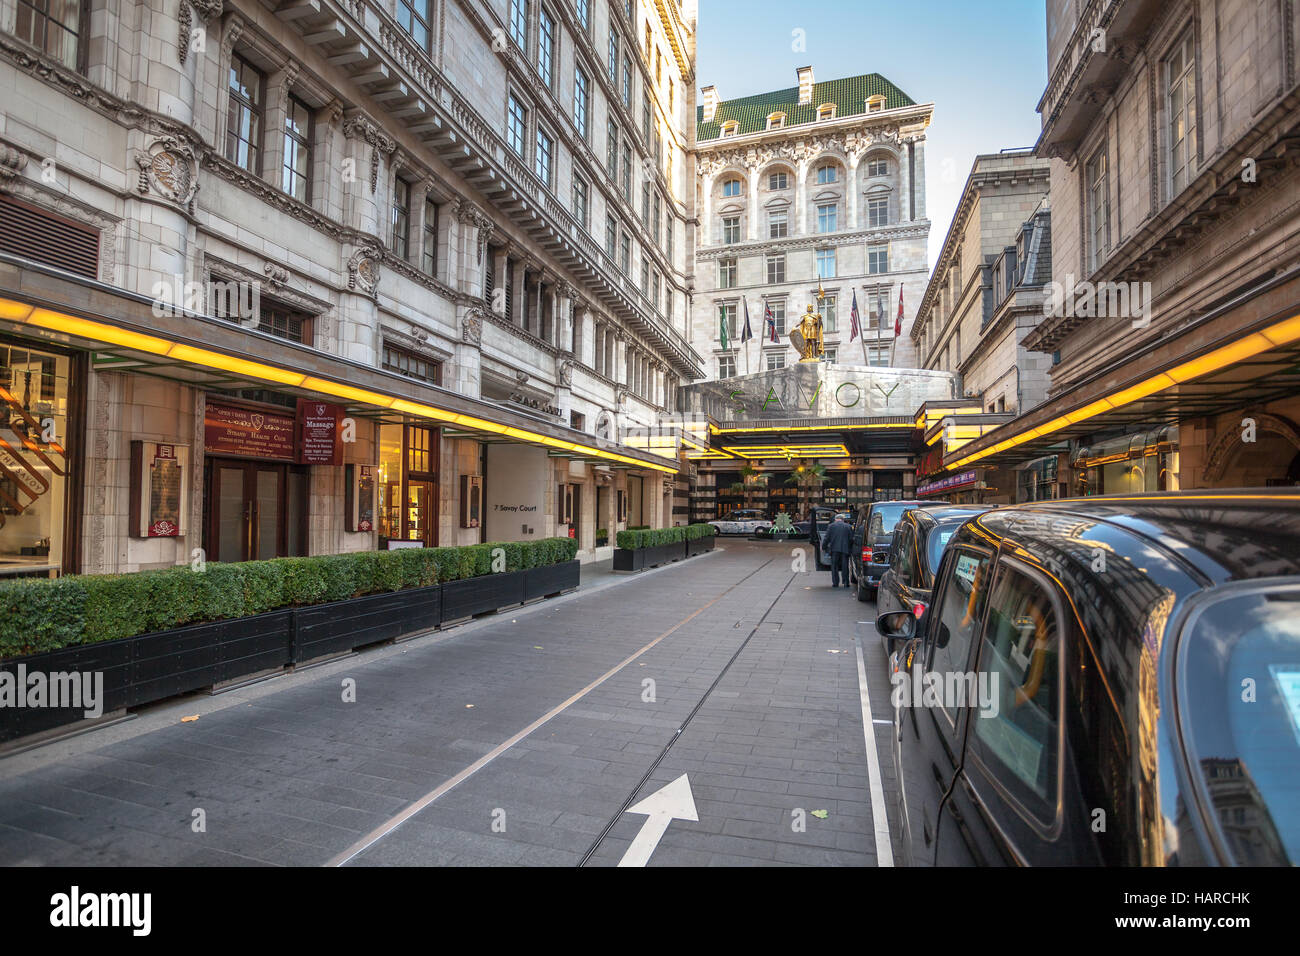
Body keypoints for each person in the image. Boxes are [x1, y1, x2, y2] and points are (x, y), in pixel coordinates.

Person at [823, 513, 854, 589]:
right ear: (843, 520)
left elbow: (827, 538)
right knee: (845, 566)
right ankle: (846, 582)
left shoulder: (831, 526)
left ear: (836, 519)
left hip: (834, 549)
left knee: (834, 566)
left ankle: (835, 583)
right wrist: (850, 548)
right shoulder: (848, 526)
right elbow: (851, 539)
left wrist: (824, 547)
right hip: (845, 549)